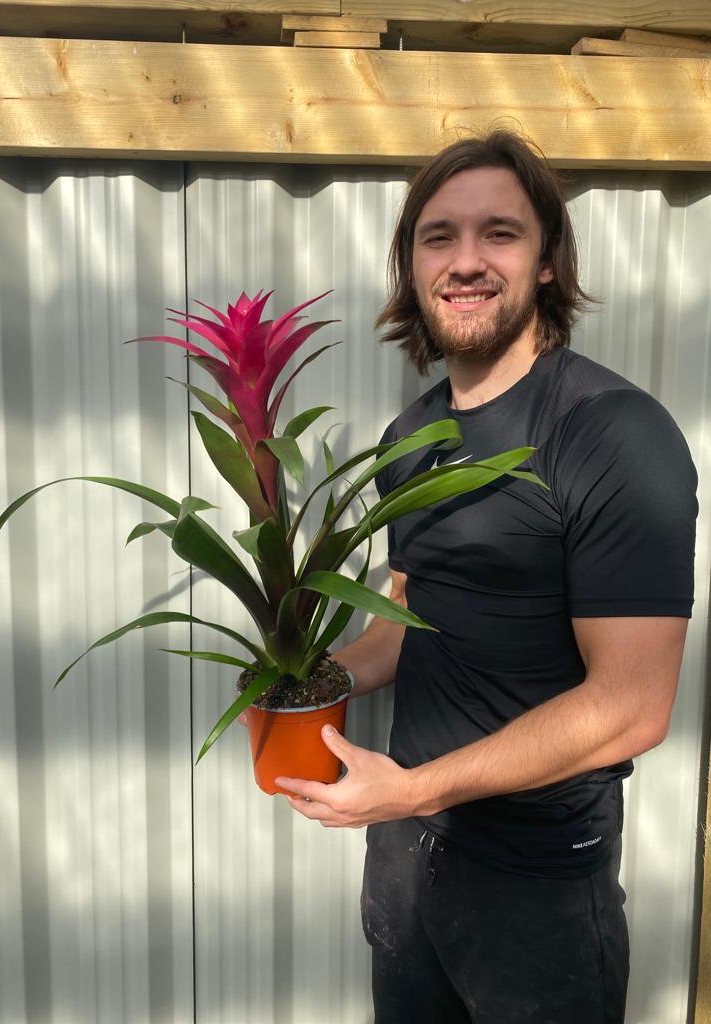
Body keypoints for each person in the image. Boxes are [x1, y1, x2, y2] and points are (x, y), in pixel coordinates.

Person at [276, 130, 698, 1023]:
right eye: (439, 236)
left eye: (499, 233)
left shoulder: (614, 434)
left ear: (548, 259)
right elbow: (405, 620)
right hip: (403, 859)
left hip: (536, 883)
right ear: (411, 263)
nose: (466, 261)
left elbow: (633, 705)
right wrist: (304, 684)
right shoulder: (412, 436)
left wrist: (415, 786)